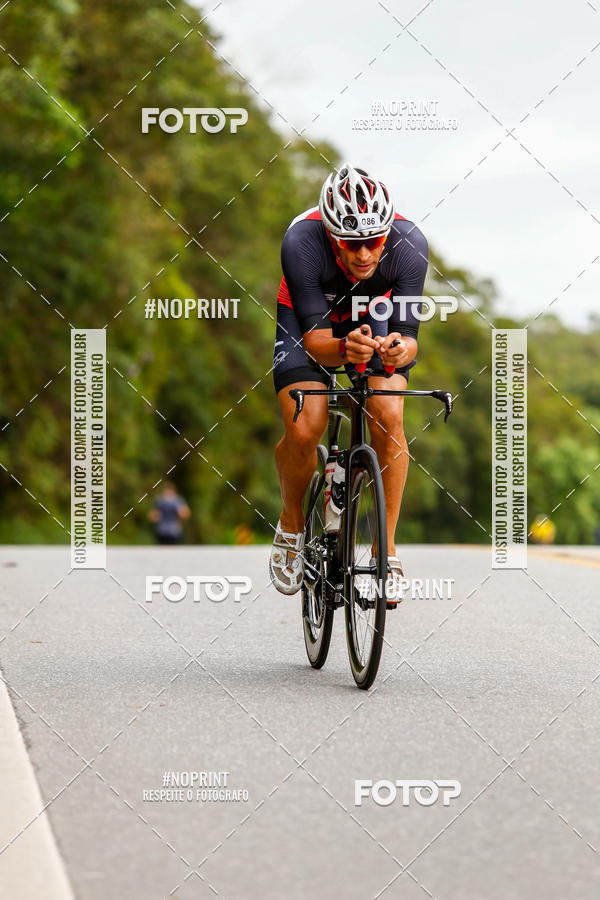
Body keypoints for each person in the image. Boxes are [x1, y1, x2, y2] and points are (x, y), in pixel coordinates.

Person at [270, 162, 428, 595]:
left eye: (372, 243)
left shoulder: (410, 244)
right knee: (305, 425)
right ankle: (291, 523)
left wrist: (398, 348)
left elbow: (410, 340)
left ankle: (386, 551)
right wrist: (344, 349)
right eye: (351, 244)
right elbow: (318, 339)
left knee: (388, 415)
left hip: (374, 317)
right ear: (331, 236)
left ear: (386, 234)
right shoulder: (301, 240)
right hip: (312, 321)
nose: (363, 255)